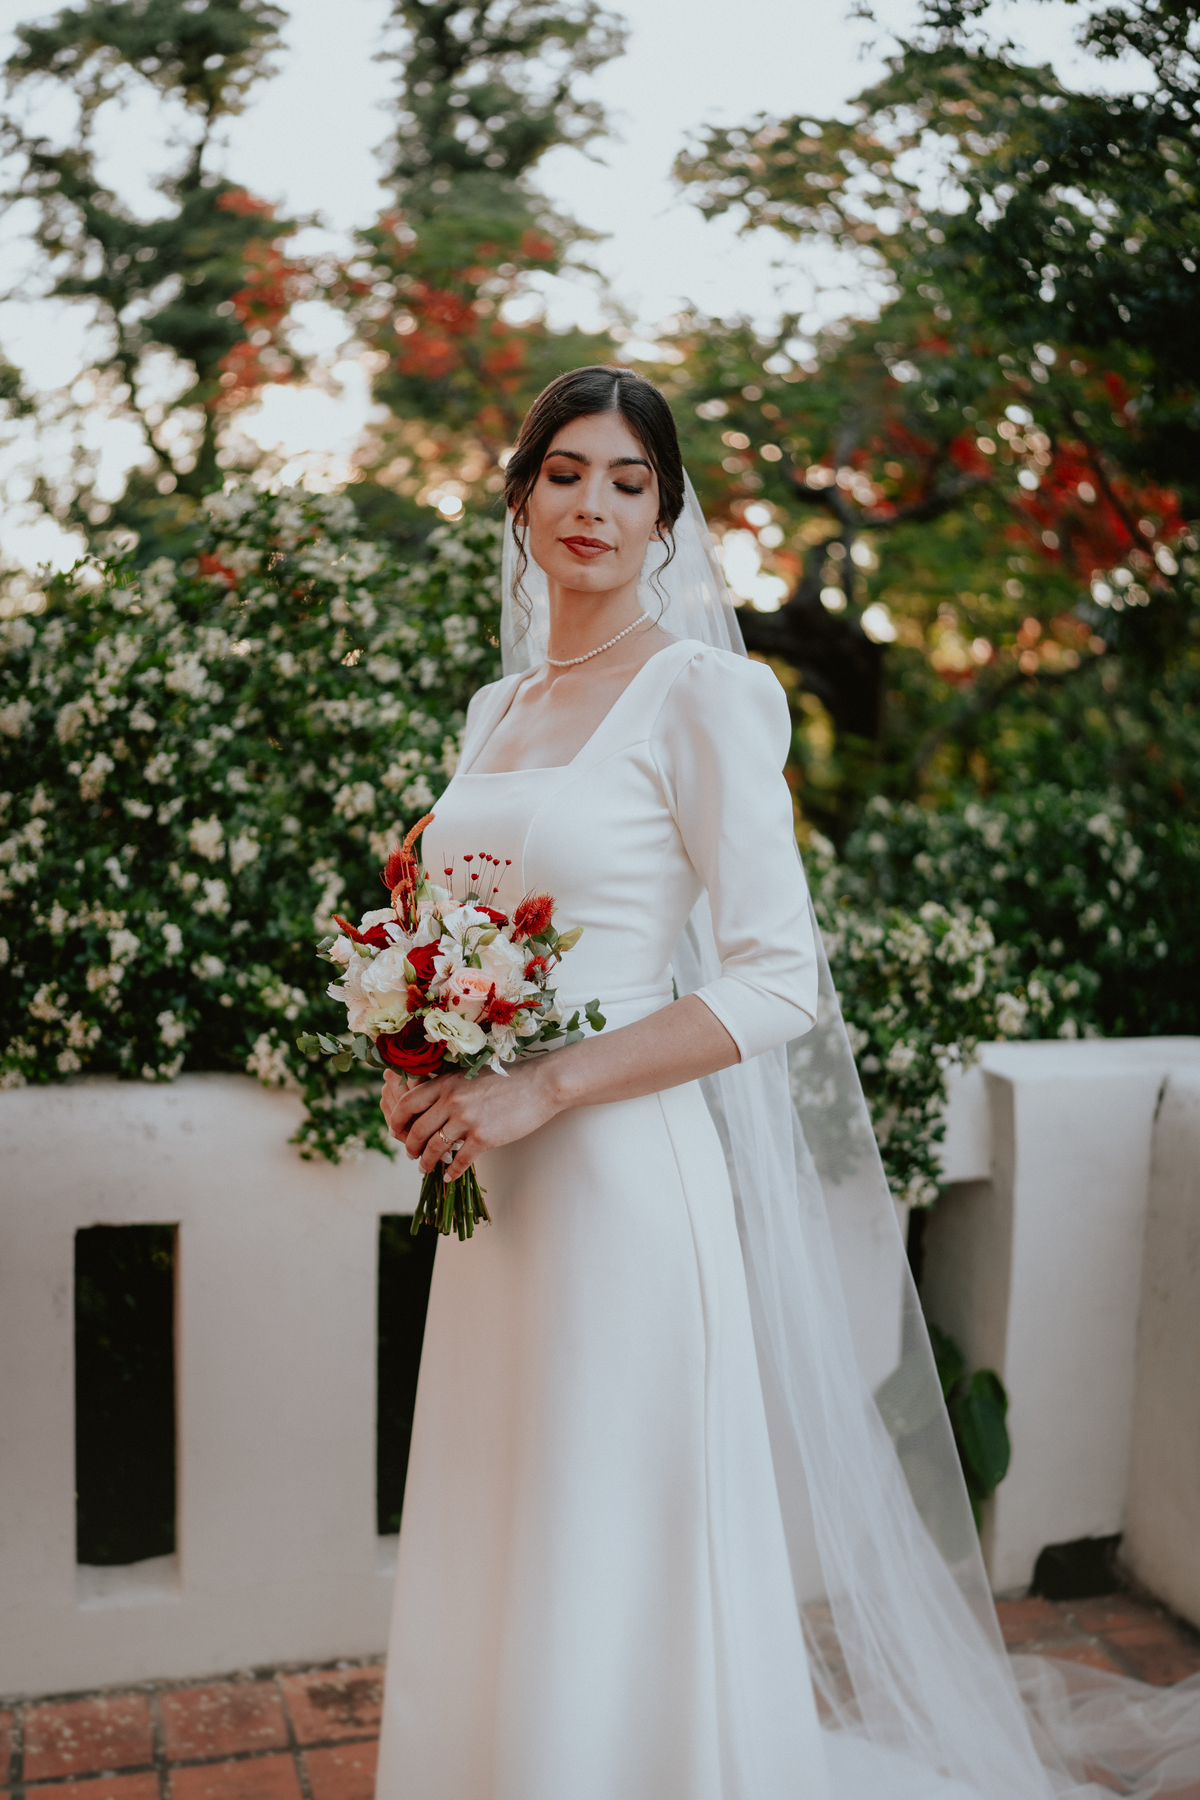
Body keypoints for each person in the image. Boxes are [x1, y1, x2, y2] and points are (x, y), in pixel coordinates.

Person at [374, 366, 1200, 1800]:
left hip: (622, 1183)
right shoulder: (494, 709)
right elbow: (454, 928)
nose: (594, 504)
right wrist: (414, 1058)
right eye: (566, 472)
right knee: (503, 1506)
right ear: (519, 499)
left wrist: (546, 1088)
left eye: (631, 483)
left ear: (667, 518)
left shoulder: (704, 693)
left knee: (614, 1522)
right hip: (495, 1194)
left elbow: (775, 979)